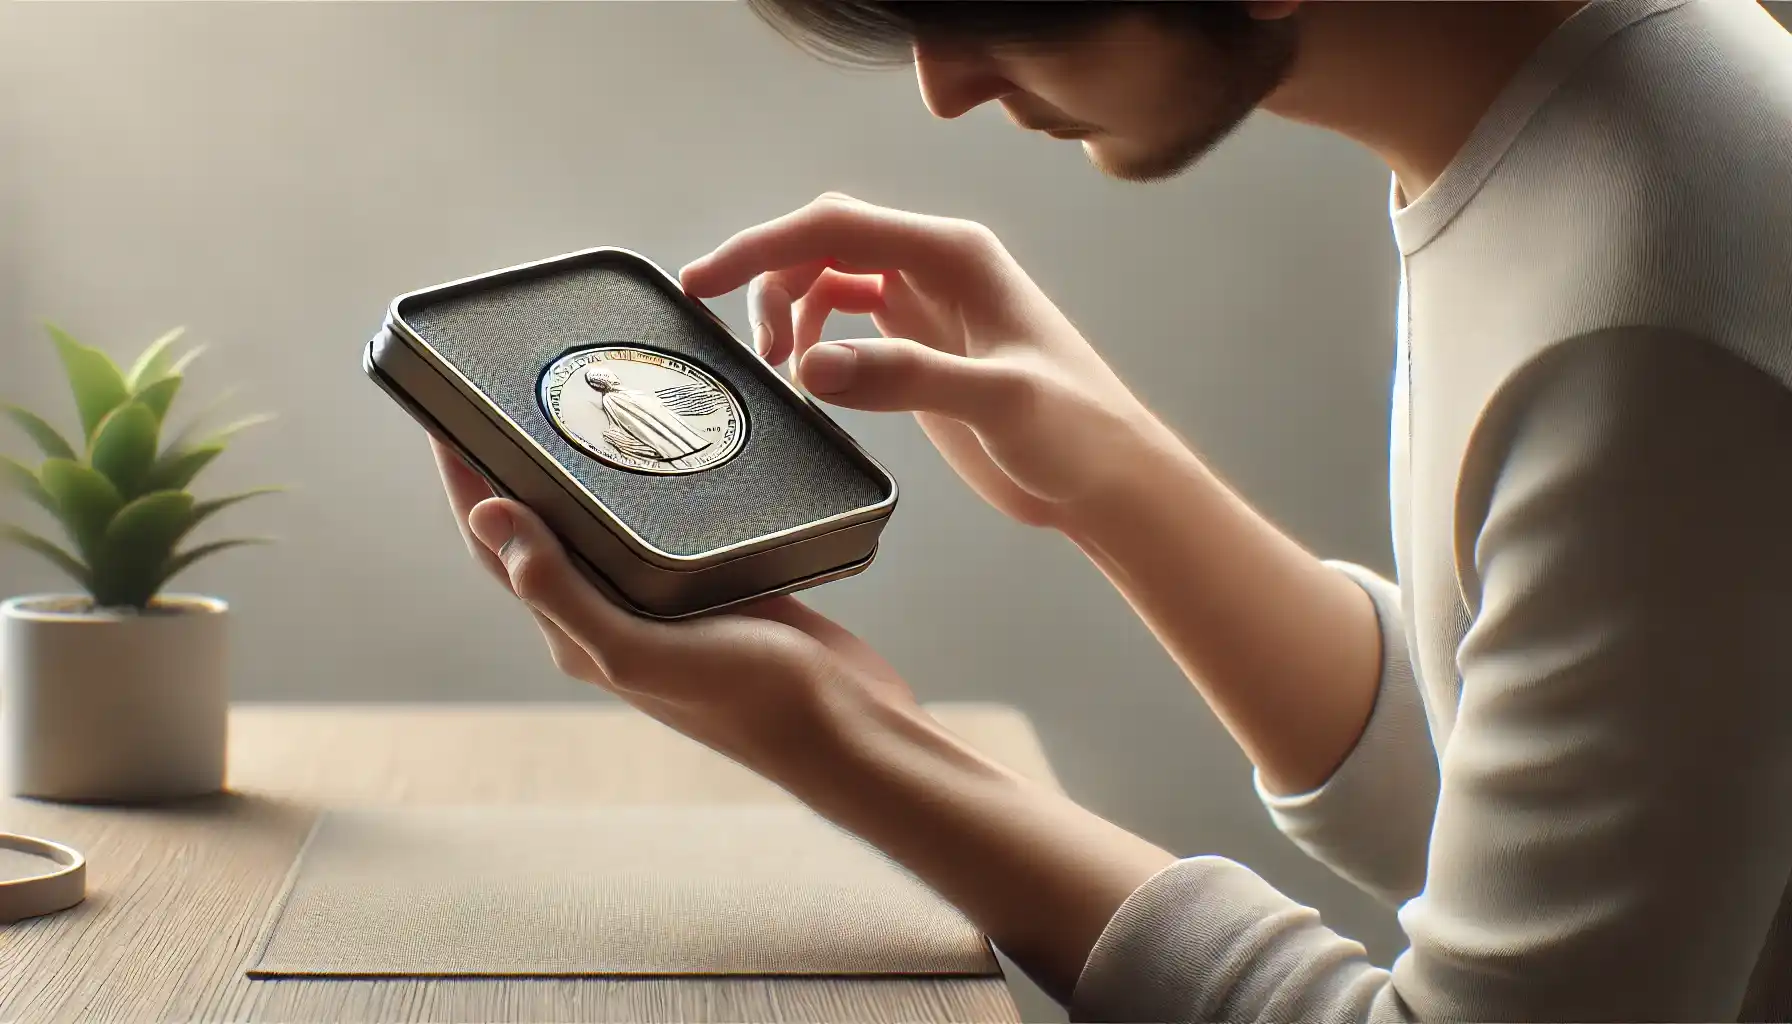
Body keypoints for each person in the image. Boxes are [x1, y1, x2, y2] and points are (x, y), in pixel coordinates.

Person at [429, 0, 1792, 1018]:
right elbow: (1540, 834)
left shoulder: (1664, 294)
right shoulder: (1596, 123)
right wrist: (1117, 479)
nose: (947, 83)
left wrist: (854, 745)